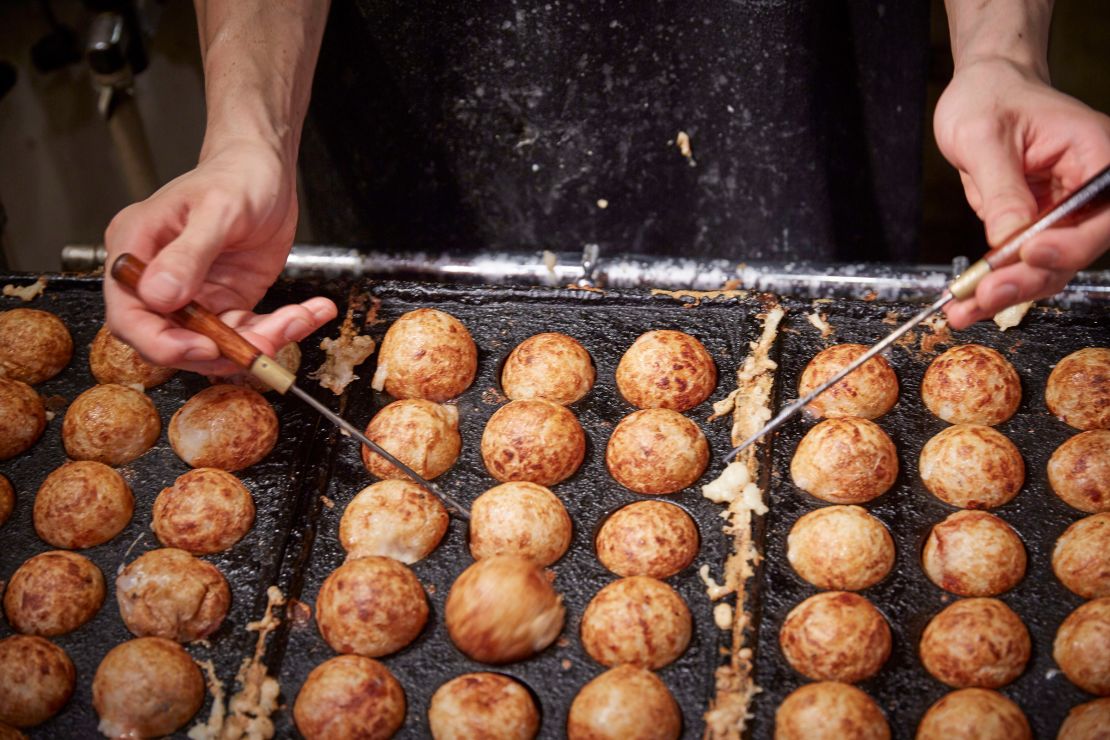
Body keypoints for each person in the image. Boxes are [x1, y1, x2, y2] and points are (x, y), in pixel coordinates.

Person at [103, 1, 1110, 373]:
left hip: (791, 65)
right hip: (434, 91)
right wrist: (249, 130)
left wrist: (1001, 49)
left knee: (827, 349)